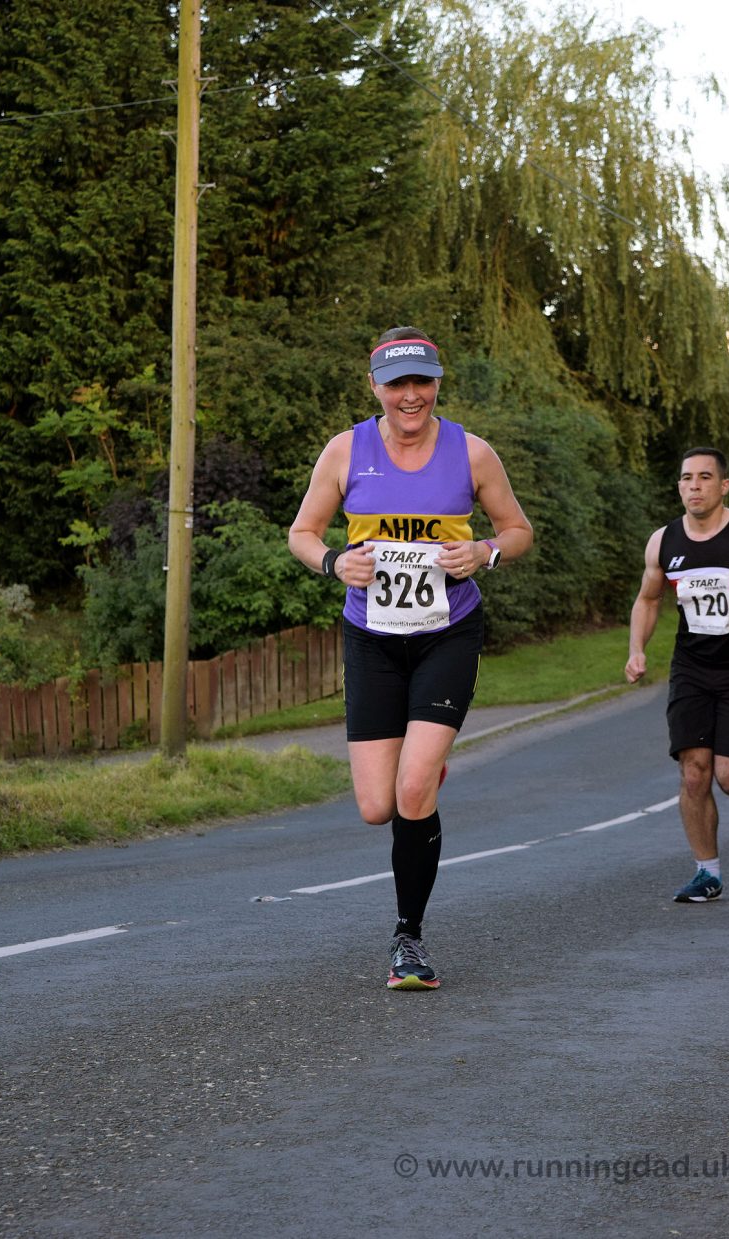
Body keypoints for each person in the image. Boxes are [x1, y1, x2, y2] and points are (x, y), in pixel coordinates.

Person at [288, 326, 533, 988]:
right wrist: (336, 560)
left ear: (437, 383)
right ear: (375, 387)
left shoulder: (471, 453)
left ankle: (408, 939)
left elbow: (518, 529)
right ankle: (416, 776)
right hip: (371, 636)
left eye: (421, 381)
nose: (410, 395)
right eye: (397, 383)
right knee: (376, 804)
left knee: (412, 789)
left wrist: (485, 552)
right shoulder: (346, 451)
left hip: (447, 631)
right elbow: (302, 532)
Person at [625, 446, 729, 902]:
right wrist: (637, 649)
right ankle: (706, 871)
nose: (694, 485)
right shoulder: (664, 541)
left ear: (724, 484)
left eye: (705, 477)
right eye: (687, 478)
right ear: (678, 485)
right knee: (694, 773)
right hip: (691, 670)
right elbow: (648, 599)